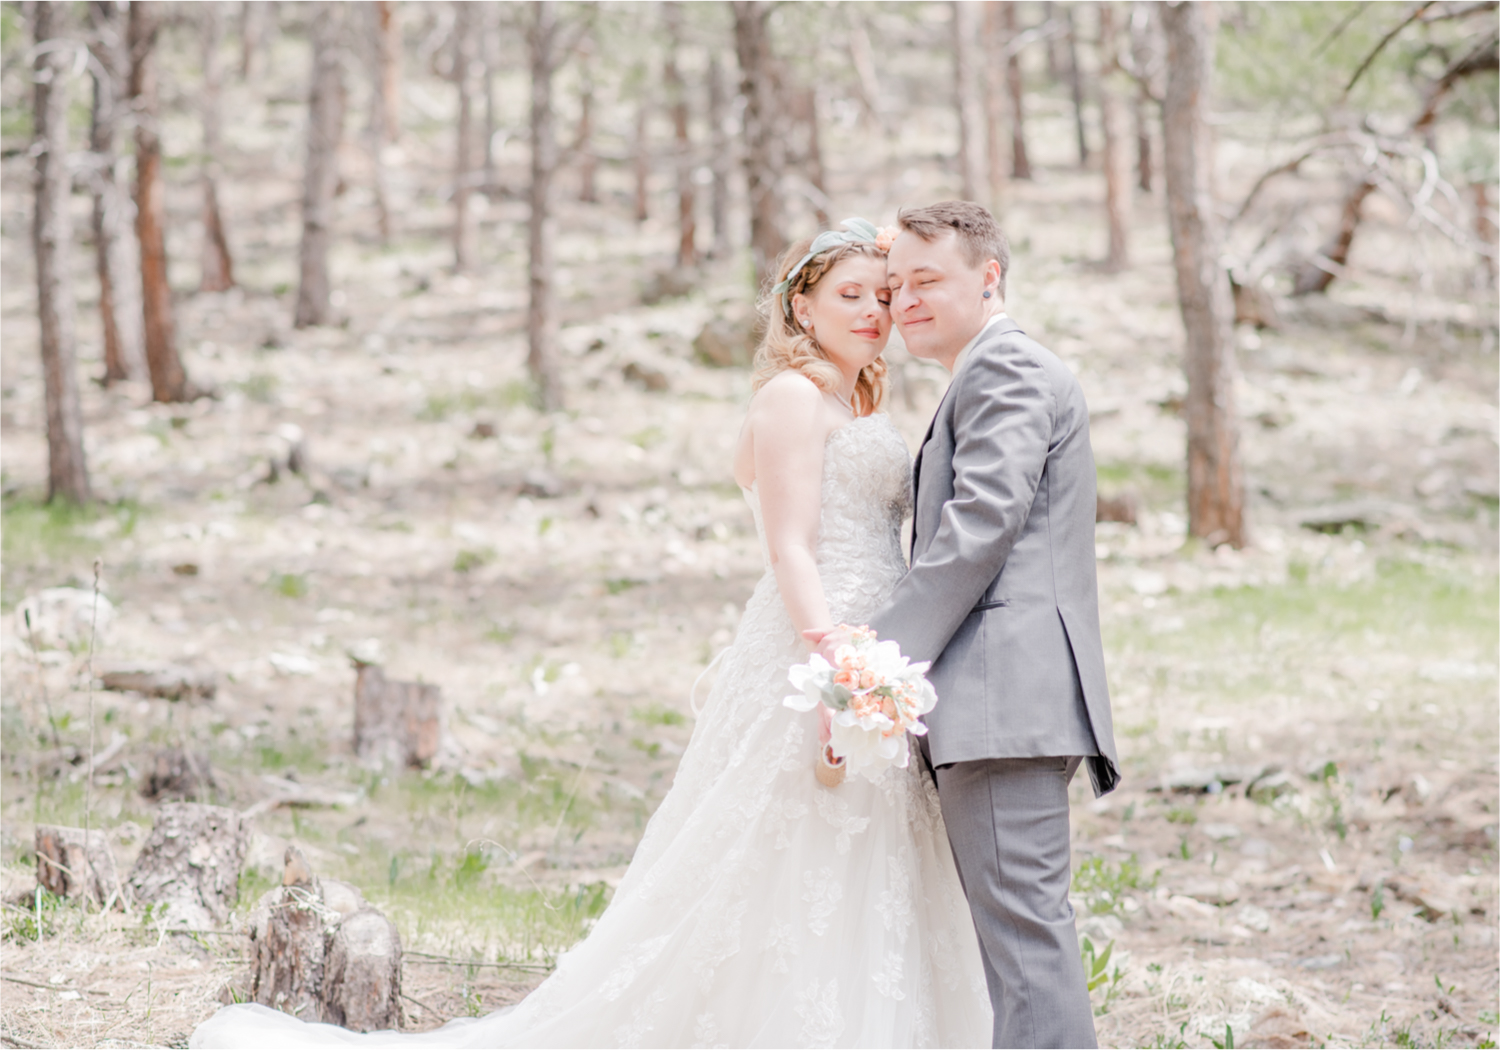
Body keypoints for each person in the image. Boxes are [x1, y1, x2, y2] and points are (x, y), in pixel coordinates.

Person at [189, 220, 991, 1049]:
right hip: (819, 647)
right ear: (801, 304)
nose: (872, 312)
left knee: (865, 847)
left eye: (884, 296)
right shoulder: (791, 397)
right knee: (795, 840)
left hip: (876, 648)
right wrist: (837, 658)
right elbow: (789, 542)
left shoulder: (849, 398)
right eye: (849, 295)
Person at [808, 201, 1121, 1050]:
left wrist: (872, 665)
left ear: (989, 277)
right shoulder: (982, 371)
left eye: (927, 281)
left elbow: (980, 526)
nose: (903, 300)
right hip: (992, 702)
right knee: (1019, 944)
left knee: (1026, 947)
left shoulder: (1006, 371)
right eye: (895, 283)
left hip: (1002, 698)